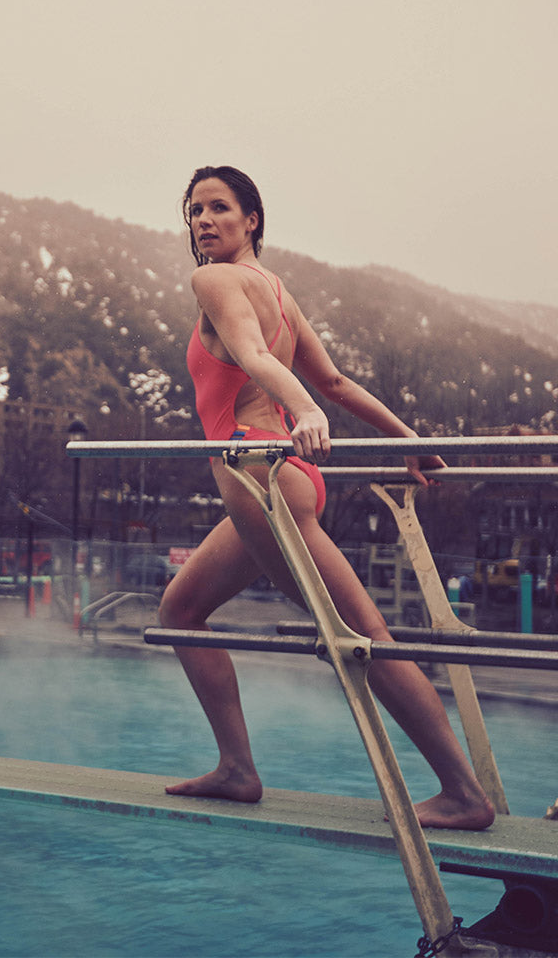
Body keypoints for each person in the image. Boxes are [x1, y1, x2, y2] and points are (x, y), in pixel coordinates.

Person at [158, 165, 493, 829]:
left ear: (252, 219)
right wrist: (407, 439)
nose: (202, 221)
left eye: (218, 208)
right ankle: (236, 769)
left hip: (262, 475)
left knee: (364, 635)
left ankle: (464, 794)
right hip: (277, 479)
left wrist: (305, 411)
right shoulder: (279, 292)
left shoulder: (214, 280)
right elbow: (338, 379)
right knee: (181, 609)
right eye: (194, 211)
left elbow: (264, 360)